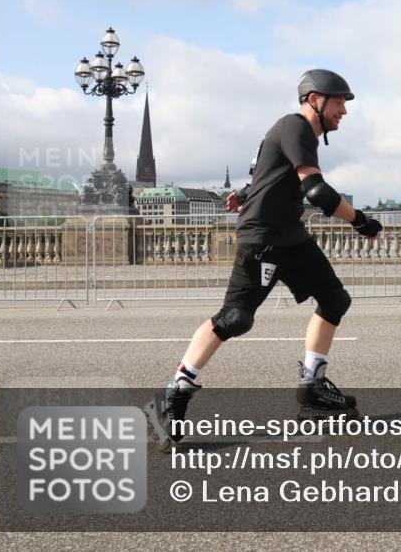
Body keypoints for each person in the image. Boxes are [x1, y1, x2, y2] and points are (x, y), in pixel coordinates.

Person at [146, 69, 382, 450]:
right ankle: (172, 395)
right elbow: (317, 191)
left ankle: (312, 386)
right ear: (315, 100)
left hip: (291, 237)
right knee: (235, 318)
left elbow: (266, 173)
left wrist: (245, 192)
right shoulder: (296, 126)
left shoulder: (299, 134)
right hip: (263, 238)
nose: (344, 110)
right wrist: (360, 220)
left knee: (335, 299)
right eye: (339, 102)